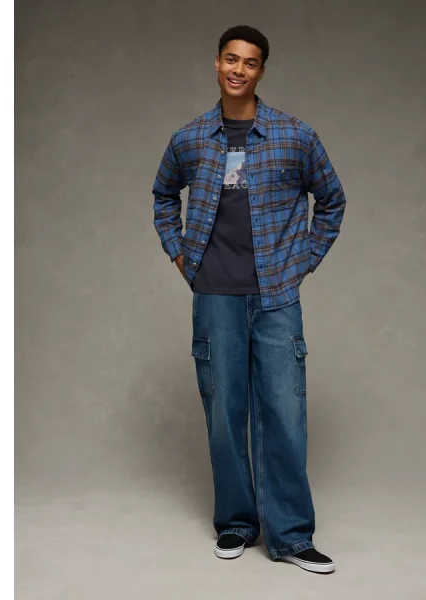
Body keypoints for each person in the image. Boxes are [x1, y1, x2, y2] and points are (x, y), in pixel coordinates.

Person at [152, 25, 346, 574]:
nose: (239, 69)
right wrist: (180, 255)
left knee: (284, 412)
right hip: (215, 295)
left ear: (262, 71)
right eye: (231, 59)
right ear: (217, 63)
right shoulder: (190, 139)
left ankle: (291, 536)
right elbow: (163, 196)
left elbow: (331, 200)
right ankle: (236, 523)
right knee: (224, 412)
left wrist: (303, 259)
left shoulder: (295, 135)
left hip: (277, 295)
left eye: (250, 62)